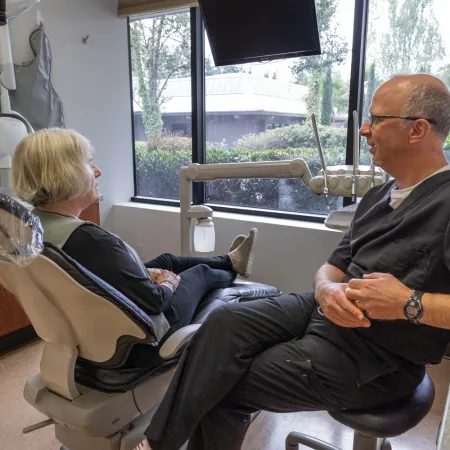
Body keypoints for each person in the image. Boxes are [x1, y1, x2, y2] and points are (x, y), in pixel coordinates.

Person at [142, 73, 450, 450]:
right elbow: (333, 264)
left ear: (418, 129)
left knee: (221, 385)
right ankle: (158, 444)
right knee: (223, 322)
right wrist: (326, 288)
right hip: (322, 310)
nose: (365, 130)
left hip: (378, 357)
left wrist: (407, 303)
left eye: (377, 119)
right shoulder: (380, 195)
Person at [11, 128, 258, 343]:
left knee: (166, 261)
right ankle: (232, 273)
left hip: (102, 309)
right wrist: (169, 282)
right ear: (65, 173)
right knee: (200, 273)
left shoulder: (33, 227)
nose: (97, 171)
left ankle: (230, 260)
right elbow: (154, 302)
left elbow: (94, 274)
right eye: (88, 163)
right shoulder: (91, 240)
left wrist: (154, 274)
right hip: (149, 327)